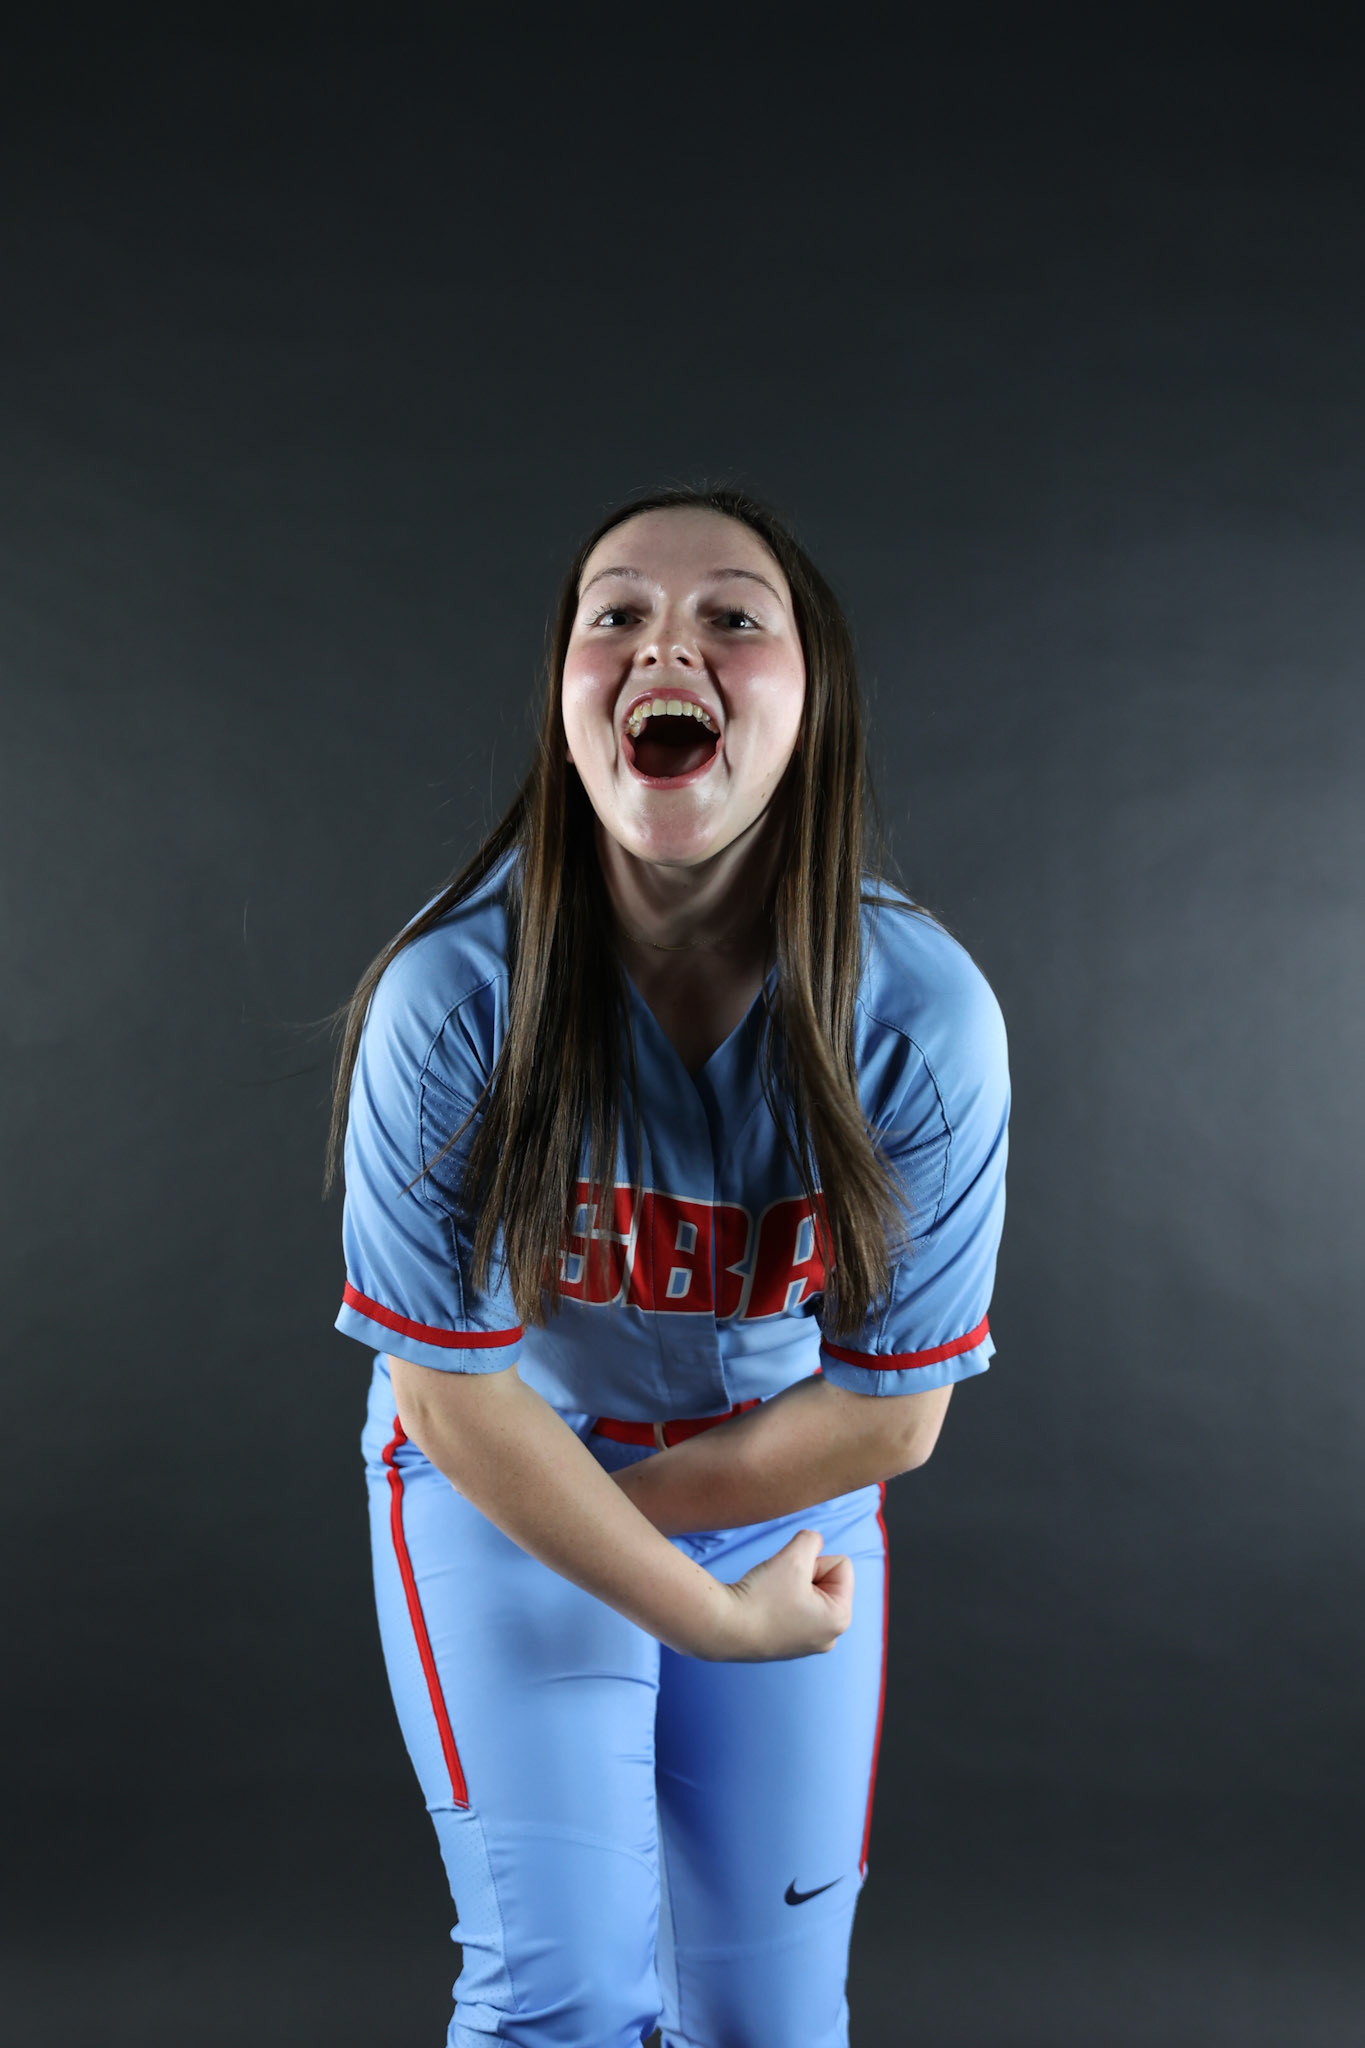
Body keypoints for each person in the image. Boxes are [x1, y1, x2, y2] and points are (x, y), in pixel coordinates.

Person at [322, 482, 1011, 2048]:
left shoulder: (920, 1012)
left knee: (770, 2024)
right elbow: (454, 1399)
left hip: (777, 1491)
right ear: (567, 700)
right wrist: (662, 1604)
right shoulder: (449, 995)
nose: (662, 645)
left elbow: (889, 1420)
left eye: (730, 618)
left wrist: (610, 1559)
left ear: (808, 699)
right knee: (560, 2000)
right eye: (614, 614)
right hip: (498, 1471)